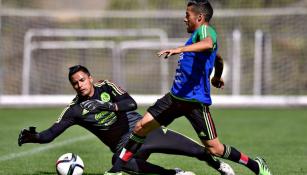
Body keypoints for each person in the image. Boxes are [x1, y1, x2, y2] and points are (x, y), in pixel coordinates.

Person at [109, 1, 272, 175]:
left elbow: (209, 43)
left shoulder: (204, 31)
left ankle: (256, 165)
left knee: (215, 149)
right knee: (140, 128)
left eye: (187, 15)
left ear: (199, 17)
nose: (184, 19)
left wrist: (180, 49)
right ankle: (116, 170)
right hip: (174, 99)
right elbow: (218, 58)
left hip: (194, 102)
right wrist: (217, 76)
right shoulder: (195, 38)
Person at [18, 65, 235, 175]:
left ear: (90, 78)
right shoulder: (75, 110)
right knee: (119, 162)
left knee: (197, 151)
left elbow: (130, 103)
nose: (79, 85)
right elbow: (50, 134)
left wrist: (105, 105)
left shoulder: (106, 87)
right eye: (75, 83)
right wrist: (33, 137)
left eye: (82, 80)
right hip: (125, 146)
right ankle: (174, 173)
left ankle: (219, 166)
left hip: (145, 130)